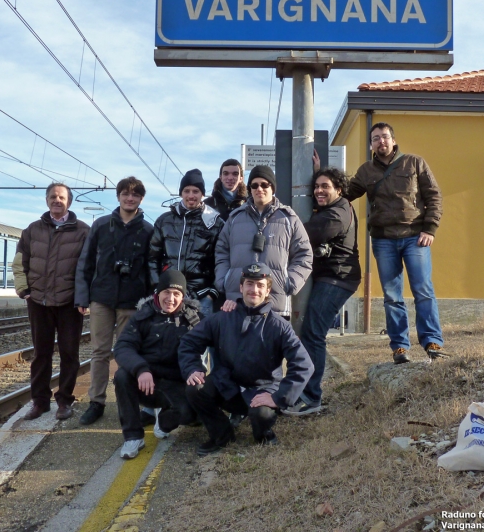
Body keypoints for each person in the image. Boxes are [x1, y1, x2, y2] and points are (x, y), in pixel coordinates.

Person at [179, 263, 314, 455]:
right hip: (227, 386)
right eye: (250, 284)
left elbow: (303, 365)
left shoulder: (279, 326)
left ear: (268, 290)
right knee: (195, 388)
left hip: (261, 391)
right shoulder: (222, 318)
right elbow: (189, 343)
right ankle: (222, 434)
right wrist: (193, 368)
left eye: (260, 285)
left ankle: (264, 434)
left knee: (261, 415)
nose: (254, 290)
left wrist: (278, 397)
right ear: (241, 287)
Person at [347, 122, 446, 364]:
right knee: (392, 296)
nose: (381, 141)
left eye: (384, 137)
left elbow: (434, 195)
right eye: (376, 138)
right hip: (383, 240)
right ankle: (400, 347)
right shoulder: (365, 171)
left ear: (393, 140)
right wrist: (321, 176)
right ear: (371, 144)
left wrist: (430, 228)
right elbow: (345, 194)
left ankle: (432, 341)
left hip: (415, 237)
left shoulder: (414, 162)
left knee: (423, 290)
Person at [74, 177, 154, 426]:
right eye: (126, 194)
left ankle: (127, 402)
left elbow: (151, 269)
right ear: (118, 196)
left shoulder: (148, 230)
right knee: (99, 352)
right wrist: (82, 296)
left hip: (133, 301)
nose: (130, 198)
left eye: (135, 195)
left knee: (128, 352)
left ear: (141, 199)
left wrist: (151, 301)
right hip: (102, 298)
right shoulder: (100, 225)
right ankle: (96, 402)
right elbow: (85, 262)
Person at [284, 166, 361, 415]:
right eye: (316, 186)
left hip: (337, 278)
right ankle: (305, 393)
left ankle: (311, 397)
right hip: (329, 277)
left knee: (313, 334)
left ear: (338, 190)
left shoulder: (336, 214)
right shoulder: (333, 208)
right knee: (311, 333)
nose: (318, 190)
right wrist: (315, 168)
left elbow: (305, 234)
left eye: (325, 186)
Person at [12, 183, 90, 420]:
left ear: (69, 201)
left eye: (62, 197)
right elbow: (19, 262)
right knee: (41, 354)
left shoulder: (83, 231)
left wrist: (83, 297)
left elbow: (88, 267)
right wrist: (23, 290)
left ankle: (65, 401)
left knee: (69, 353)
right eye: (53, 197)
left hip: (69, 302)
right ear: (47, 200)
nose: (57, 200)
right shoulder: (31, 230)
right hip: (39, 301)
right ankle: (40, 401)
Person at [112, 269, 201, 459]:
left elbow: (215, 338)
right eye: (166, 292)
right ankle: (133, 437)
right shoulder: (142, 316)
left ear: (183, 297)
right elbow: (122, 347)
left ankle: (165, 420)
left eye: (176, 294)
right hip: (146, 381)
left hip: (175, 383)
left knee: (191, 412)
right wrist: (141, 369)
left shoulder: (193, 319)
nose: (171, 298)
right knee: (121, 376)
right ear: (157, 293)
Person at [214, 165, 312, 319]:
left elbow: (304, 255)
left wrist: (289, 282)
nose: (259, 189)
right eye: (254, 185)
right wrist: (224, 280)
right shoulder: (235, 218)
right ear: (250, 189)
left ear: (272, 187)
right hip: (237, 301)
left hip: (275, 304)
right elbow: (221, 251)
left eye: (264, 184)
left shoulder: (289, 218)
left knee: (272, 343)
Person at [148, 169, 223, 316]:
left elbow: (222, 260)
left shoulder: (216, 223)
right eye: (186, 191)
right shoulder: (165, 221)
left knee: (200, 338)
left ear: (202, 194)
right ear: (181, 193)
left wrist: (212, 293)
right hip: (168, 296)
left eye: (195, 191)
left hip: (201, 296)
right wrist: (158, 287)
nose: (191, 196)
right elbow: (152, 257)